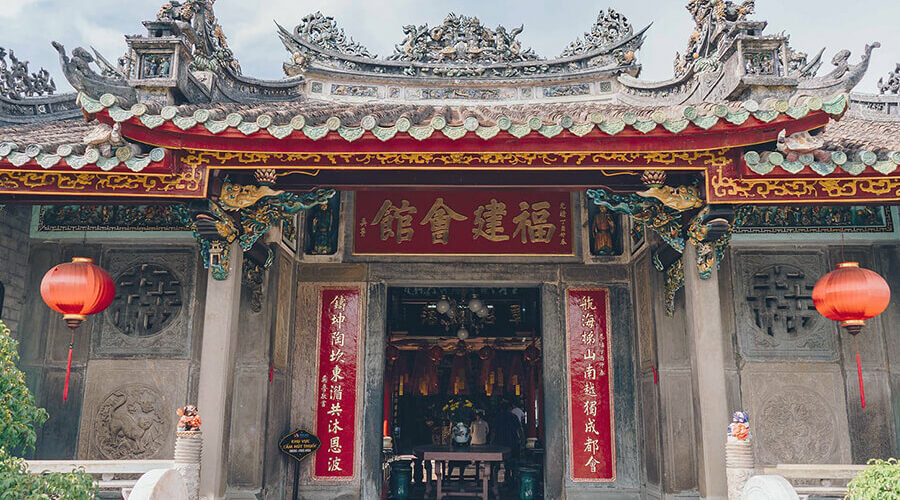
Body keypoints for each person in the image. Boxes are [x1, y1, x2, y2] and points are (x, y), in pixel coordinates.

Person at [492, 401, 523, 488]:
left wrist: (492, 442)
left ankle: (495, 482)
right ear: (509, 408)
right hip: (512, 442)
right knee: (512, 463)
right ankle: (512, 479)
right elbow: (519, 430)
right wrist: (522, 440)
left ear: (501, 408)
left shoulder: (497, 417)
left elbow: (494, 431)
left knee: (497, 464)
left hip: (500, 443)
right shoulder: (514, 417)